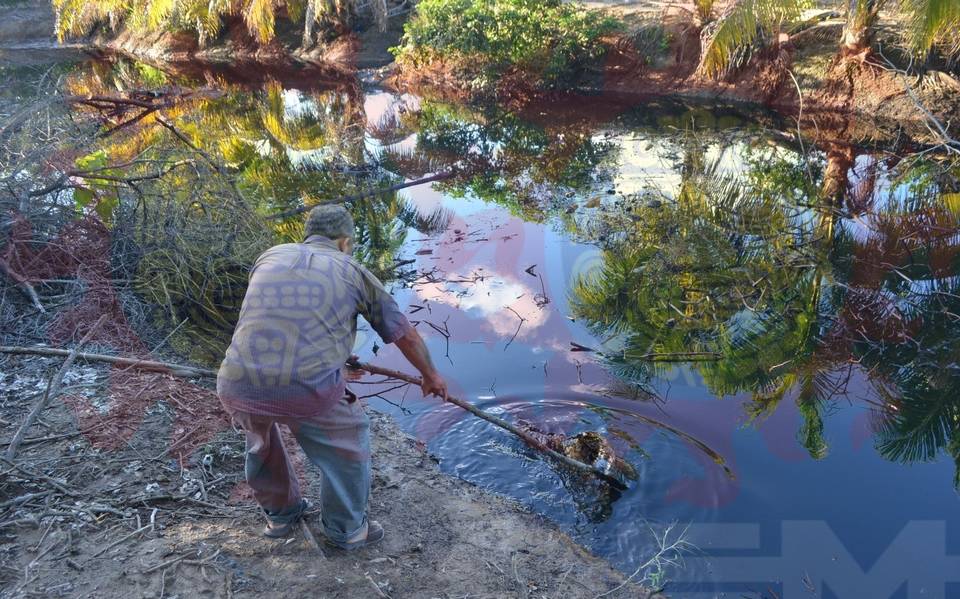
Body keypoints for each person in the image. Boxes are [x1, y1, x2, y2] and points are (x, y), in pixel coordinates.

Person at [216, 203, 447, 550]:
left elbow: (284, 320)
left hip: (237, 381)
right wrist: (430, 375)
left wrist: (337, 361)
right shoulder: (351, 268)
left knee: (260, 444)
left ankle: (280, 517)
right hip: (307, 388)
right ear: (344, 243)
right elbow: (404, 332)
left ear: (306, 236)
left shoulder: (270, 256)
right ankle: (348, 531)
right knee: (348, 443)